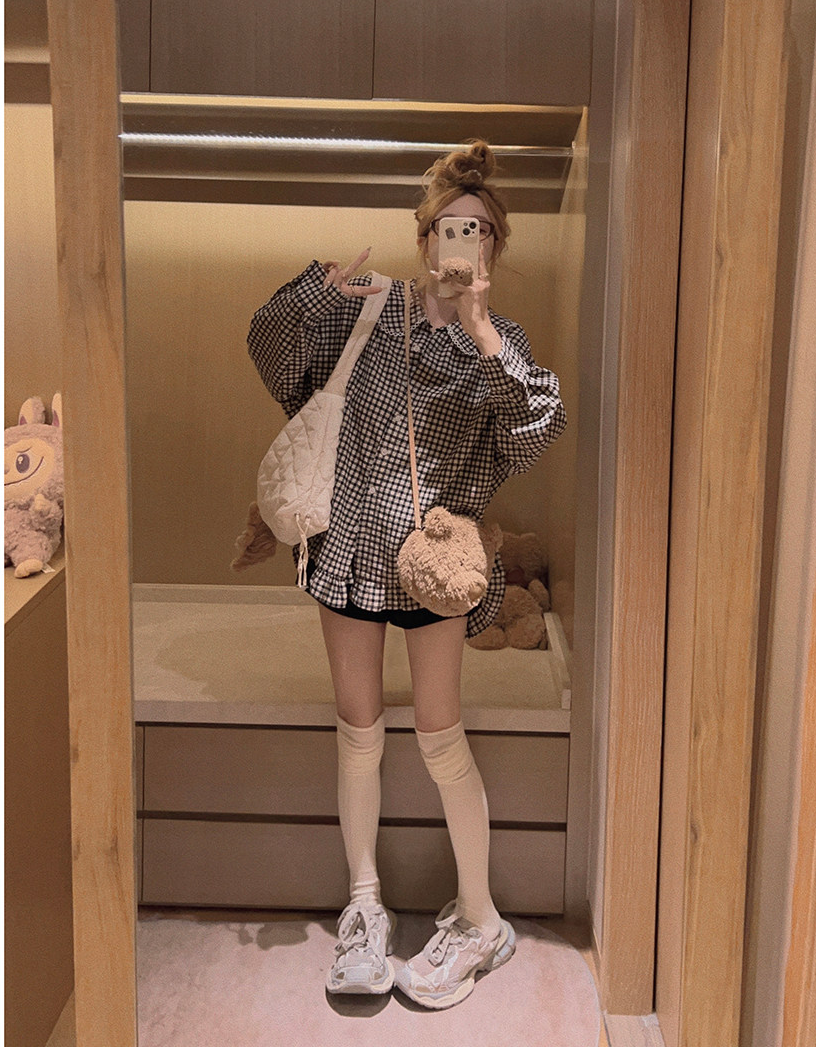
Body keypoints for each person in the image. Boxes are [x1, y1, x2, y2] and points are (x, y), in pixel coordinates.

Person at [246, 140, 566, 1009]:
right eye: (450, 228)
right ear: (424, 238)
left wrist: (483, 332)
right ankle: (364, 906)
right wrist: (318, 292)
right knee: (358, 730)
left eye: (480, 231)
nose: (464, 242)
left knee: (438, 735)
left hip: (436, 564)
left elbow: (534, 432)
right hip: (350, 547)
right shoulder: (367, 310)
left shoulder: (500, 342)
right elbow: (267, 350)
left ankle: (481, 918)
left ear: (495, 247)